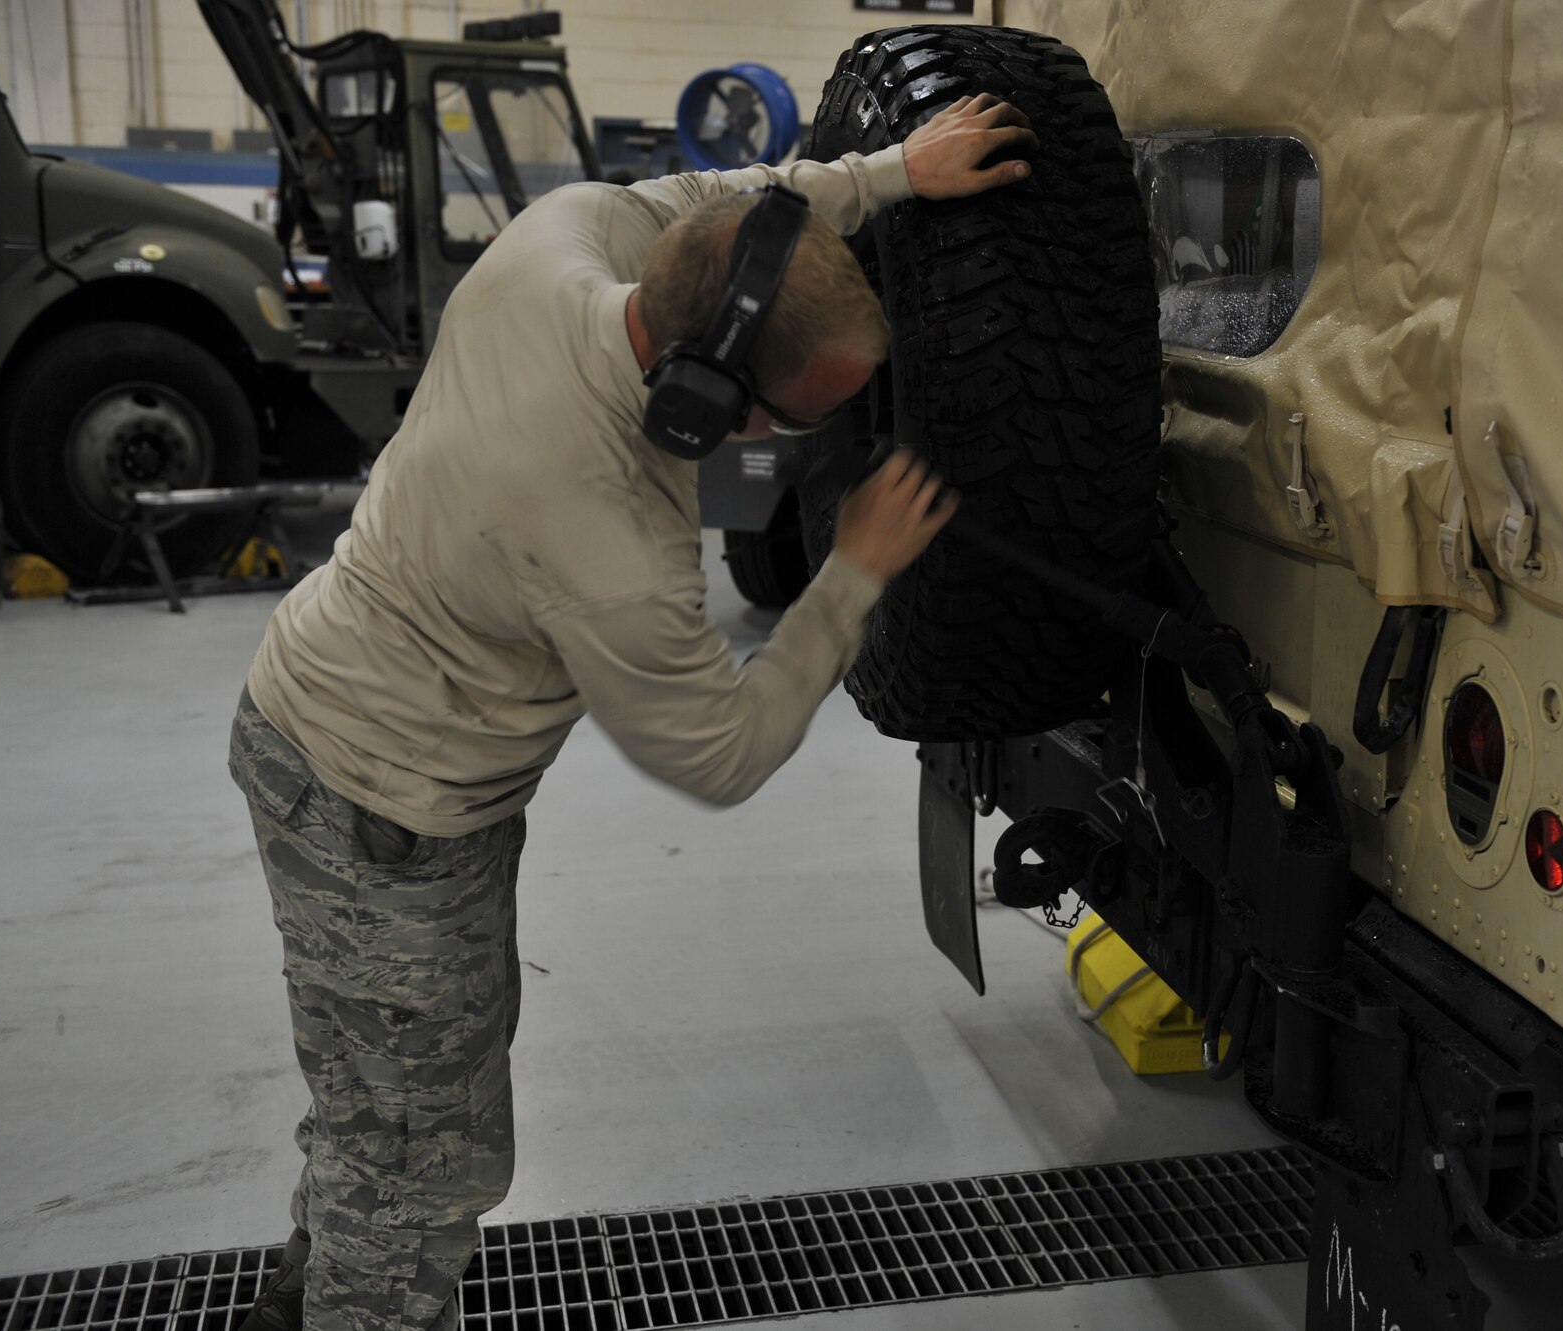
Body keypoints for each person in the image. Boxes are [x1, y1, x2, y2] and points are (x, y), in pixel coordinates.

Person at [227, 94, 1039, 1331]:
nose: (803, 442)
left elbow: (736, 205)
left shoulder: (567, 233)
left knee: (379, 1100)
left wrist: (890, 175)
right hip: (382, 803)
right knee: (425, 1160)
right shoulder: (609, 524)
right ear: (696, 401)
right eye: (794, 418)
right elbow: (720, 750)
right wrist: (854, 571)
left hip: (335, 730)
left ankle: (310, 1294)